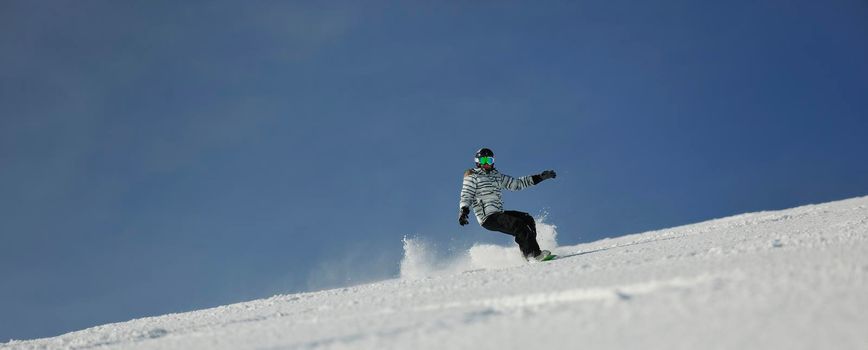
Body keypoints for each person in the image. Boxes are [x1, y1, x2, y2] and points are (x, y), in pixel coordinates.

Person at [458, 147, 557, 261]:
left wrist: (540, 177)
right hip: (488, 217)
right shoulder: (472, 176)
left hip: (498, 213)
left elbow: (516, 184)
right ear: (478, 162)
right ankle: (533, 255)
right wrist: (463, 211)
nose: (486, 164)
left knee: (527, 219)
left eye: (489, 160)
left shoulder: (497, 176)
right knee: (518, 225)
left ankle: (529, 251)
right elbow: (466, 194)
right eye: (483, 161)